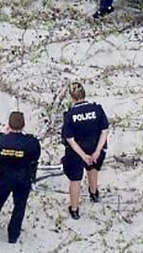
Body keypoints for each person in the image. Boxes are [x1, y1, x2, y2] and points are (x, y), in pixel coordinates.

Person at [0, 111, 41, 244]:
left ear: (9, 124)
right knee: (19, 206)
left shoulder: (0, 140)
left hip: (4, 177)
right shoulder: (31, 142)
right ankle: (13, 235)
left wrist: (6, 136)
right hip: (23, 177)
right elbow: (35, 156)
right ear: (23, 125)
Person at [61, 82, 109, 220]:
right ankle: (94, 193)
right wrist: (97, 151)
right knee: (93, 168)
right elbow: (104, 130)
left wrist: (82, 155)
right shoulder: (97, 109)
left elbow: (69, 139)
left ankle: (74, 209)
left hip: (76, 152)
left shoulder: (70, 115)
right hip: (95, 146)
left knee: (75, 180)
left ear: (72, 97)